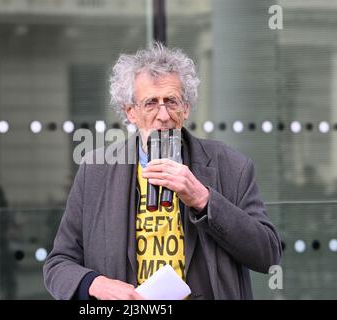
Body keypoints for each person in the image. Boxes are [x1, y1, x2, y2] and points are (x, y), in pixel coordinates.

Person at [43, 43, 282, 300]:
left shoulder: (230, 166)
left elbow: (267, 255)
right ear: (130, 112)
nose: (163, 115)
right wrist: (96, 284)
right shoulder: (96, 172)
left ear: (186, 109)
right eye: (150, 103)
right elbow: (58, 264)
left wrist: (204, 200)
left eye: (171, 101)